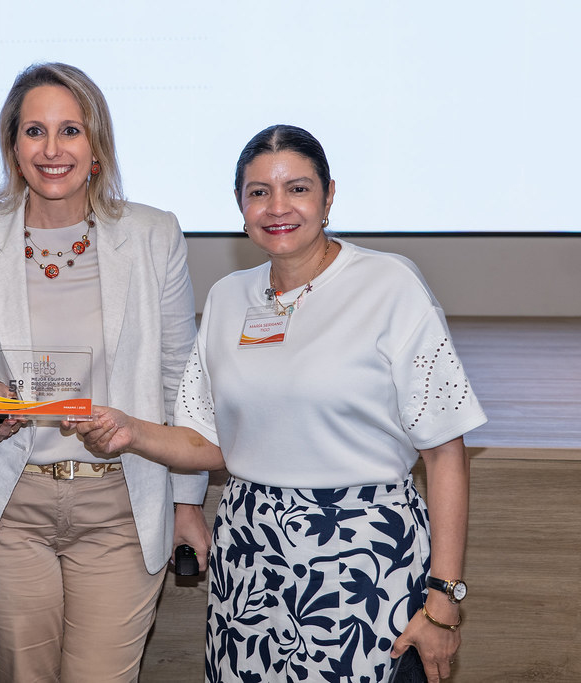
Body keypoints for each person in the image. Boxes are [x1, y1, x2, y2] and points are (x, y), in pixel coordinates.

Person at [72, 125, 487, 682]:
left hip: (365, 556)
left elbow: (445, 452)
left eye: (298, 188)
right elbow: (209, 442)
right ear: (240, 204)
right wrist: (131, 430)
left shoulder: (390, 285)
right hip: (249, 557)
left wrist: (443, 597)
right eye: (259, 192)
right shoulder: (228, 296)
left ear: (329, 196)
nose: (278, 207)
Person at [0, 62, 211, 682]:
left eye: (70, 131)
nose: (52, 149)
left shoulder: (153, 235)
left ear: (96, 145)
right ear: (13, 147)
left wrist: (188, 500)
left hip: (121, 502)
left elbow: (180, 378)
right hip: (7, 503)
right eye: (34, 131)